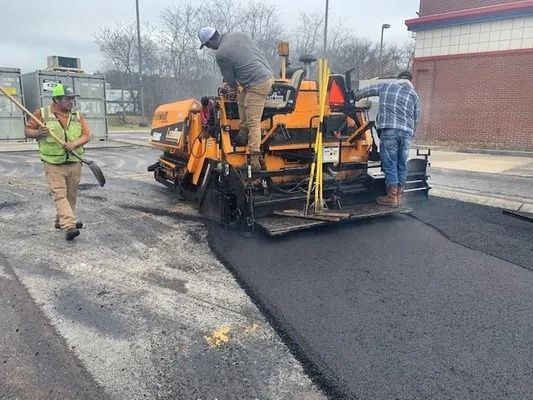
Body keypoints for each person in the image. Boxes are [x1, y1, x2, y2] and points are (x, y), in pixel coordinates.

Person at [198, 26, 274, 171]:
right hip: (265, 75)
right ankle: (242, 134)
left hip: (257, 84)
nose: (210, 48)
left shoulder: (221, 54)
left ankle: (254, 158)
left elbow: (231, 80)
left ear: (210, 42)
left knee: (253, 121)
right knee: (241, 98)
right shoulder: (239, 34)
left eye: (207, 45)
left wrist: (231, 87)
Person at [24, 84, 91, 240]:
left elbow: (87, 135)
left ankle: (61, 220)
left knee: (71, 195)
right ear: (56, 99)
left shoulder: (77, 115)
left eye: (73, 99)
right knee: (60, 194)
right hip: (53, 163)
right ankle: (68, 225)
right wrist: (38, 133)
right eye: (68, 99)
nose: (71, 102)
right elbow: (27, 131)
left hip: (74, 161)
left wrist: (74, 144)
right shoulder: (41, 114)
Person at [354, 70, 420, 207]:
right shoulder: (413, 95)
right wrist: (411, 132)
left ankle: (391, 197)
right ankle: (399, 196)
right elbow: (416, 117)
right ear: (410, 81)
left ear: (398, 78)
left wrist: (354, 96)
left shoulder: (388, 86)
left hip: (390, 131)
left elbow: (368, 91)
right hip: (406, 134)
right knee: (401, 164)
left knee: (390, 164)